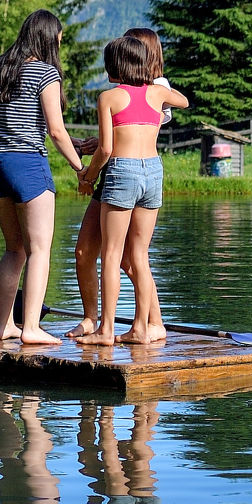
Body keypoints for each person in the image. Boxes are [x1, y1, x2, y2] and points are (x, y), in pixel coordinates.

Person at [76, 29, 188, 347]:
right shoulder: (157, 93)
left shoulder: (109, 98)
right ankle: (141, 327)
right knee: (139, 255)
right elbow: (184, 100)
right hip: (153, 172)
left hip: (123, 171)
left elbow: (106, 150)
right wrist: (156, 85)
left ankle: (106, 330)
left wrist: (88, 177)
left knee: (111, 255)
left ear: (115, 68)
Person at [0, 10, 87, 345]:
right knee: (40, 249)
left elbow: (24, 121)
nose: (60, 42)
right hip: (28, 164)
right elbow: (54, 131)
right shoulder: (45, 73)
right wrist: (81, 169)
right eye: (59, 37)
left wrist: (76, 145)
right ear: (48, 37)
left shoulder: (0, 67)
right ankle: (30, 327)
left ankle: (4, 326)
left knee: (14, 249)